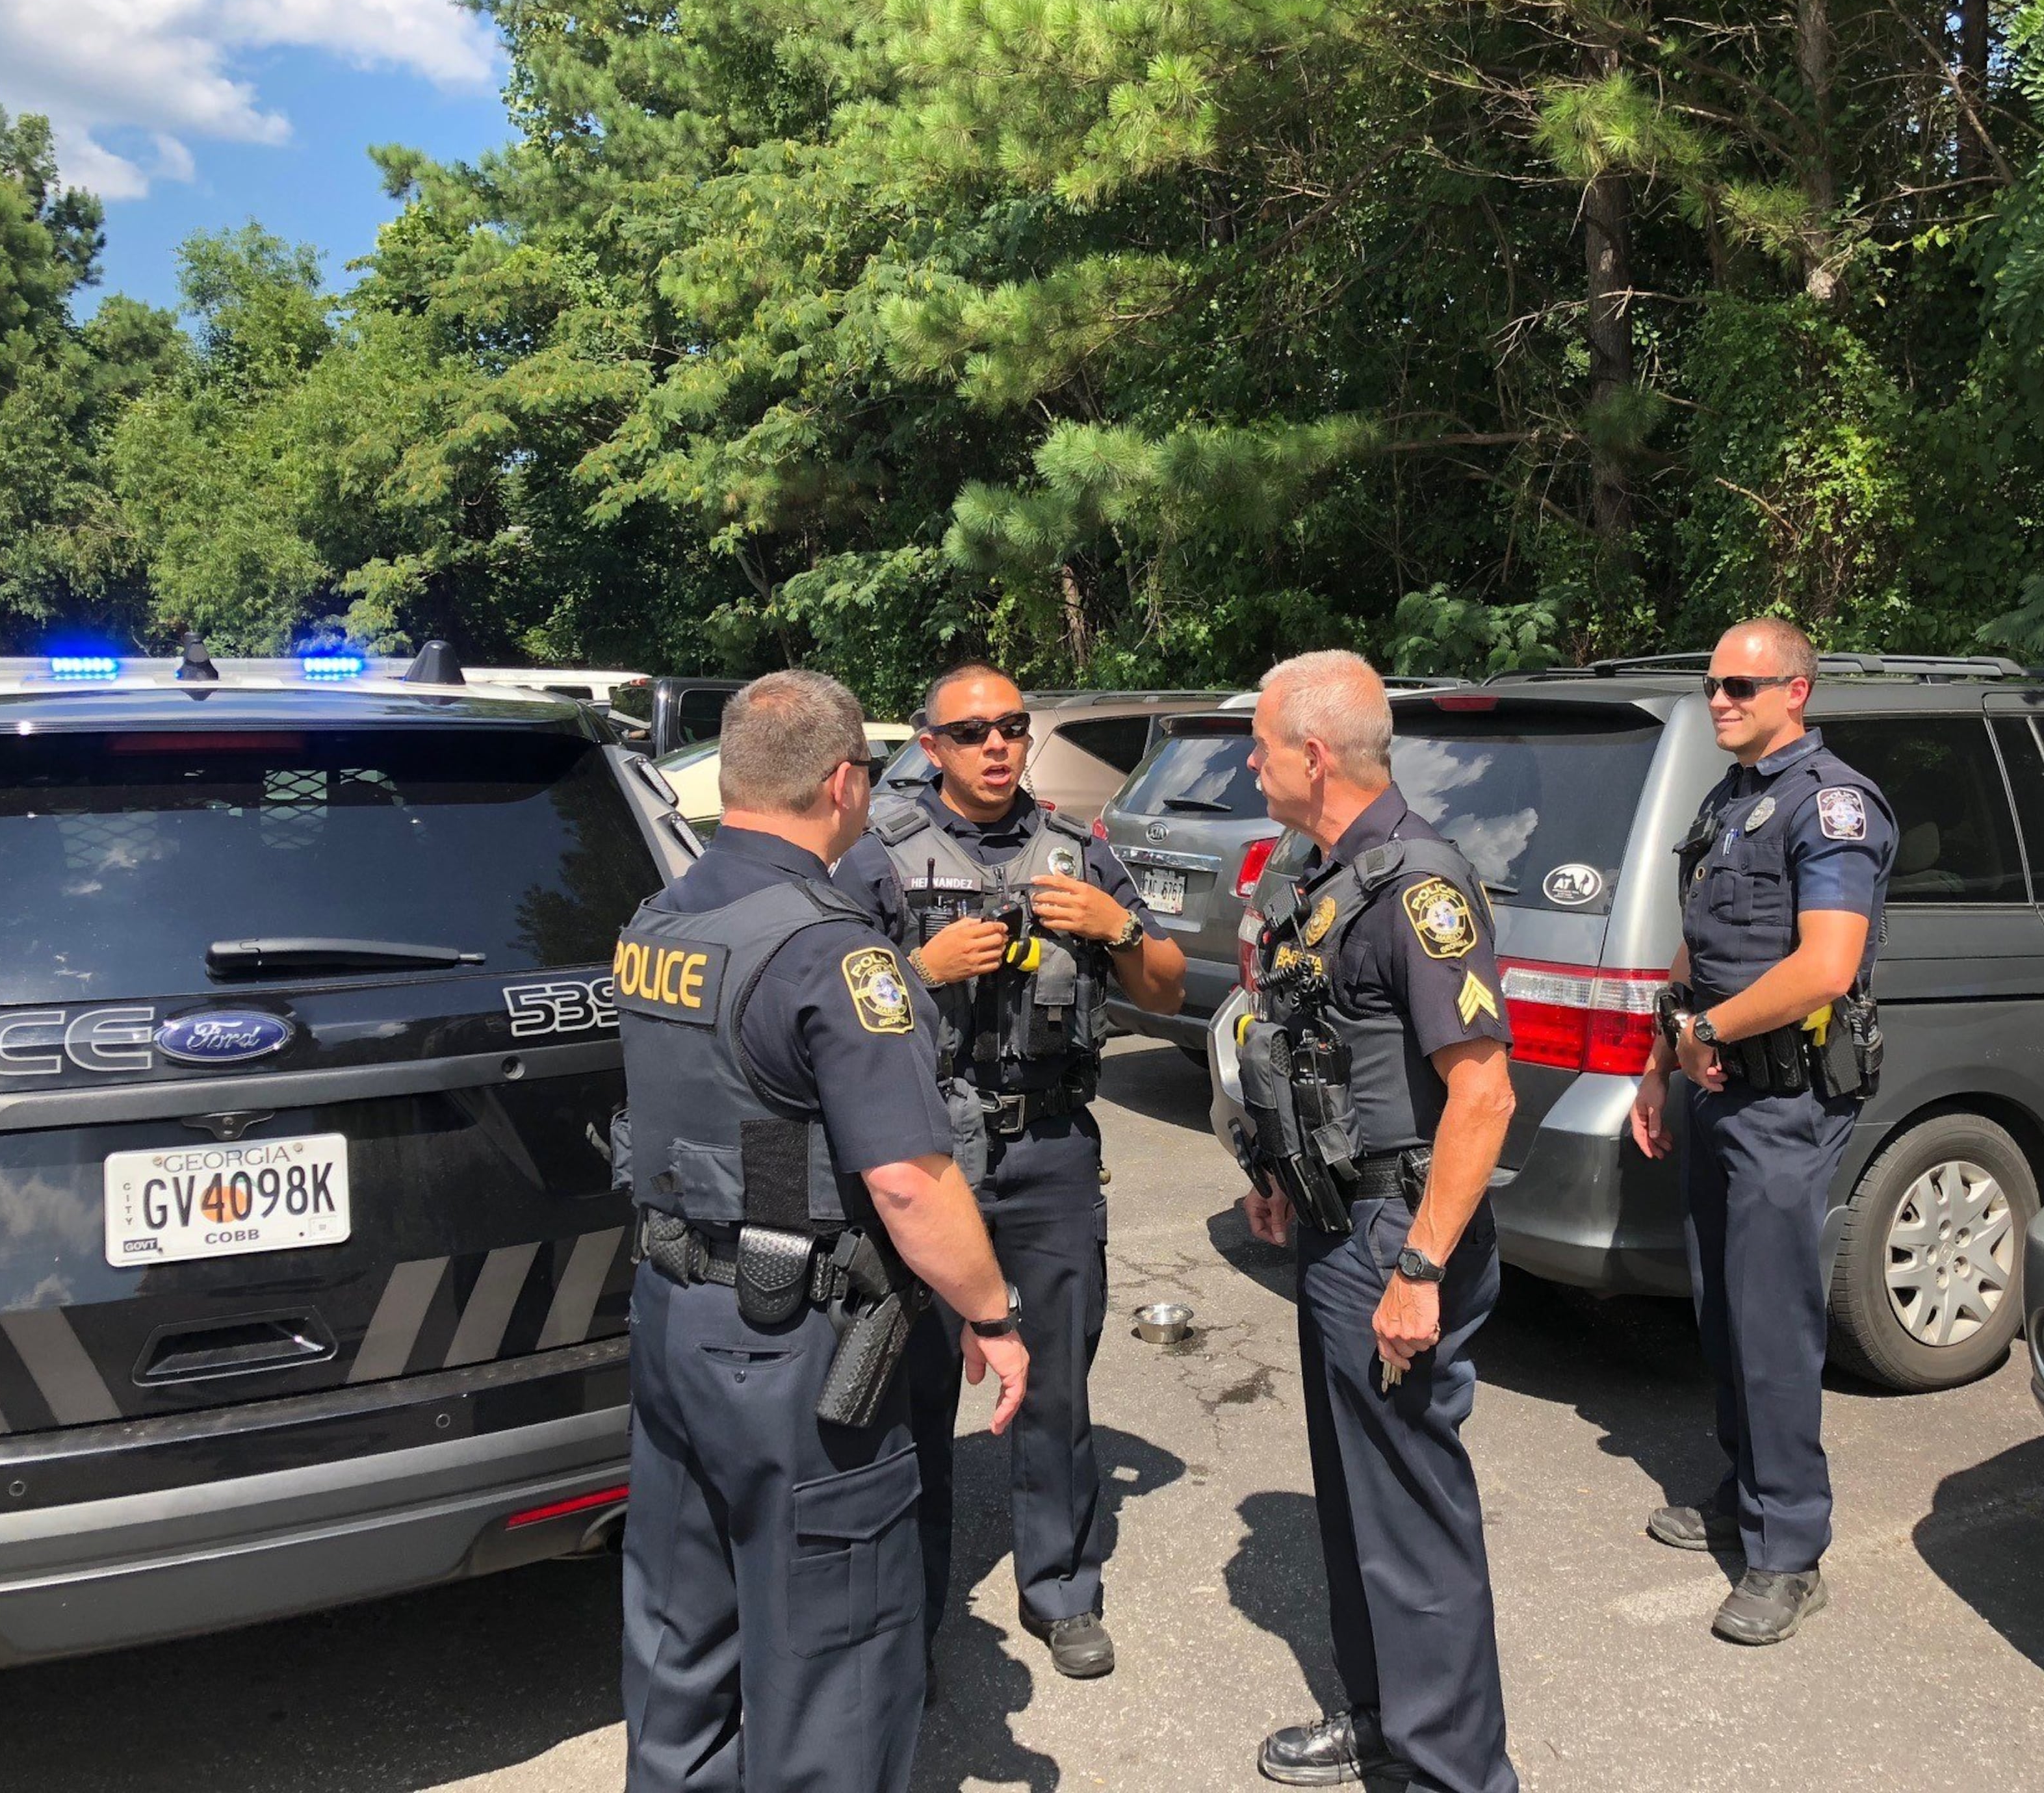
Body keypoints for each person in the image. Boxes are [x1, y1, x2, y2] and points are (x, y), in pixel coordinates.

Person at [615, 671, 1031, 1793]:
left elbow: (744, 1126)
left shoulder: (662, 920)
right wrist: (993, 1313)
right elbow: (907, 1179)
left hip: (673, 1320)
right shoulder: (832, 952)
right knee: (837, 1669)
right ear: (846, 783)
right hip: (792, 1350)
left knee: (679, 1636)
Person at [835, 664, 1185, 1681]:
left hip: (1048, 1150)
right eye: (973, 731)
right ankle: (916, 1619)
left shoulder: (1079, 853)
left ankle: (1061, 1588)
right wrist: (920, 972)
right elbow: (821, 1002)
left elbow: (1163, 985)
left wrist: (1112, 927)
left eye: (1013, 728)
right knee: (915, 1392)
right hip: (929, 1154)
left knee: (1058, 1386)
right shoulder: (877, 860)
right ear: (931, 746)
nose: (998, 746)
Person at [1234, 650, 1521, 1793]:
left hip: (1396, 1241)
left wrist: (1418, 1267)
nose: (1249, 763)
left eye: (1259, 744)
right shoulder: (1326, 872)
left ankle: (1458, 1772)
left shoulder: (1419, 886)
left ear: (1311, 754)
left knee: (1414, 1524)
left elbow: (1484, 1093)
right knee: (1360, 1511)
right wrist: (1279, 1176)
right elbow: (1315, 1051)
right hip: (1334, 1226)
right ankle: (1382, 1719)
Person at [1629, 619, 1897, 1645]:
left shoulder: (1833, 806)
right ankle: (1746, 1490)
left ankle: (1789, 1549)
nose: (1721, 700)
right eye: (1712, 686)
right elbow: (1699, 951)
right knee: (1723, 1305)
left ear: (1797, 691)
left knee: (1775, 1316)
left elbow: (1827, 967)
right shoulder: (1729, 799)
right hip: (1711, 1088)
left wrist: (1705, 1033)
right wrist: (1661, 1066)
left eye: (1742, 685)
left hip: (1785, 1103)